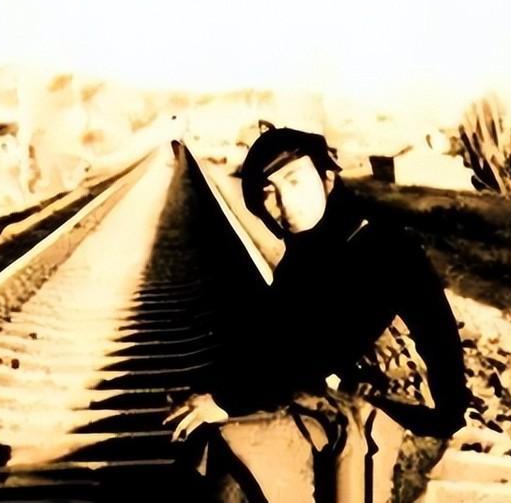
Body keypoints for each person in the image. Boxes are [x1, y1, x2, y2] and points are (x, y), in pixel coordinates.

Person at [164, 126, 472, 502]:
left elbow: (324, 346)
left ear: (327, 179)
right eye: (268, 193)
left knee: (257, 463)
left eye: (295, 181)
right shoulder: (305, 255)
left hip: (410, 419)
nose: (285, 202)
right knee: (223, 452)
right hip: (346, 401)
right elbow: (272, 333)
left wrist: (227, 399)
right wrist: (212, 388)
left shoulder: (380, 246)